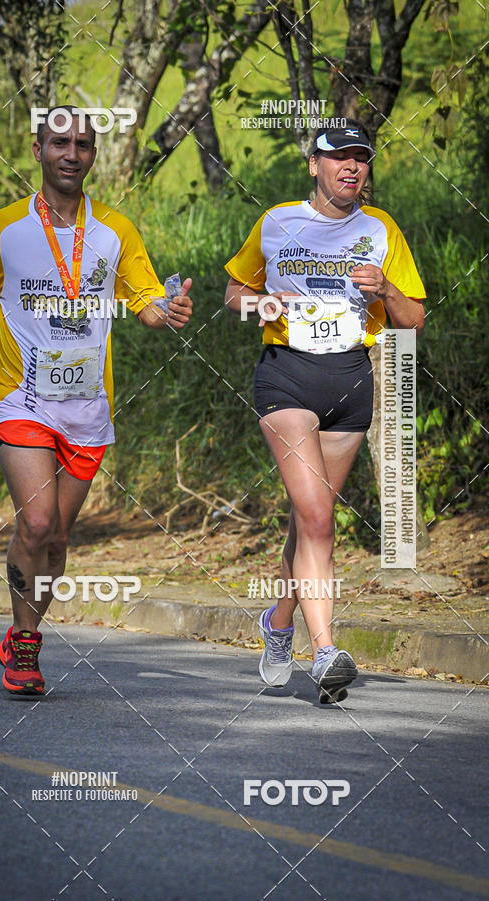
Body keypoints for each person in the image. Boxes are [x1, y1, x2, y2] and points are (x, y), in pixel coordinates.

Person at [0, 106, 193, 695]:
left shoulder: (115, 231)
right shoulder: (5, 228)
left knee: (58, 540)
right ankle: (25, 648)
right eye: (61, 142)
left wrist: (167, 311)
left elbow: (146, 303)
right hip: (22, 398)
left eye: (84, 144)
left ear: (93, 155)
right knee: (36, 521)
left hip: (88, 408)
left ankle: (23, 629)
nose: (73, 153)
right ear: (39, 149)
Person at [224, 120, 425, 703]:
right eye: (339, 158)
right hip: (286, 375)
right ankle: (326, 652)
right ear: (314, 164)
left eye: (361, 159)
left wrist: (386, 291)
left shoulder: (381, 228)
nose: (351, 168)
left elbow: (413, 320)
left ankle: (278, 621)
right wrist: (260, 300)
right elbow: (233, 293)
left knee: (307, 522)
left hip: (350, 380)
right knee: (317, 518)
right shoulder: (277, 221)